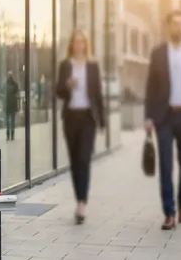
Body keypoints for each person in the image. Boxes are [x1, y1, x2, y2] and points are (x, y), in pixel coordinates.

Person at [144, 10, 181, 231]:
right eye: (175, 24)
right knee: (166, 166)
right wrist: (148, 117)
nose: (179, 28)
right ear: (168, 26)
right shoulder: (158, 53)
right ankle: (169, 212)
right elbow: (150, 87)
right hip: (164, 116)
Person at [55, 31, 105, 224]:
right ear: (71, 44)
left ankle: (82, 203)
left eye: (82, 42)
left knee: (84, 159)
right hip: (70, 118)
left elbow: (98, 94)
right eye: (75, 41)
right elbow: (58, 91)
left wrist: (102, 121)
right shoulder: (65, 66)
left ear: (86, 44)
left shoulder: (92, 66)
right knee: (75, 161)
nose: (79, 45)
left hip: (87, 117)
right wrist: (67, 85)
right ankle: (79, 199)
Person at [5, 72, 20, 141]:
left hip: (8, 105)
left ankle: (8, 134)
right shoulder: (15, 85)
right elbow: (17, 95)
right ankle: (12, 134)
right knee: (12, 121)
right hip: (12, 105)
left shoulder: (5, 85)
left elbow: (3, 95)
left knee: (8, 121)